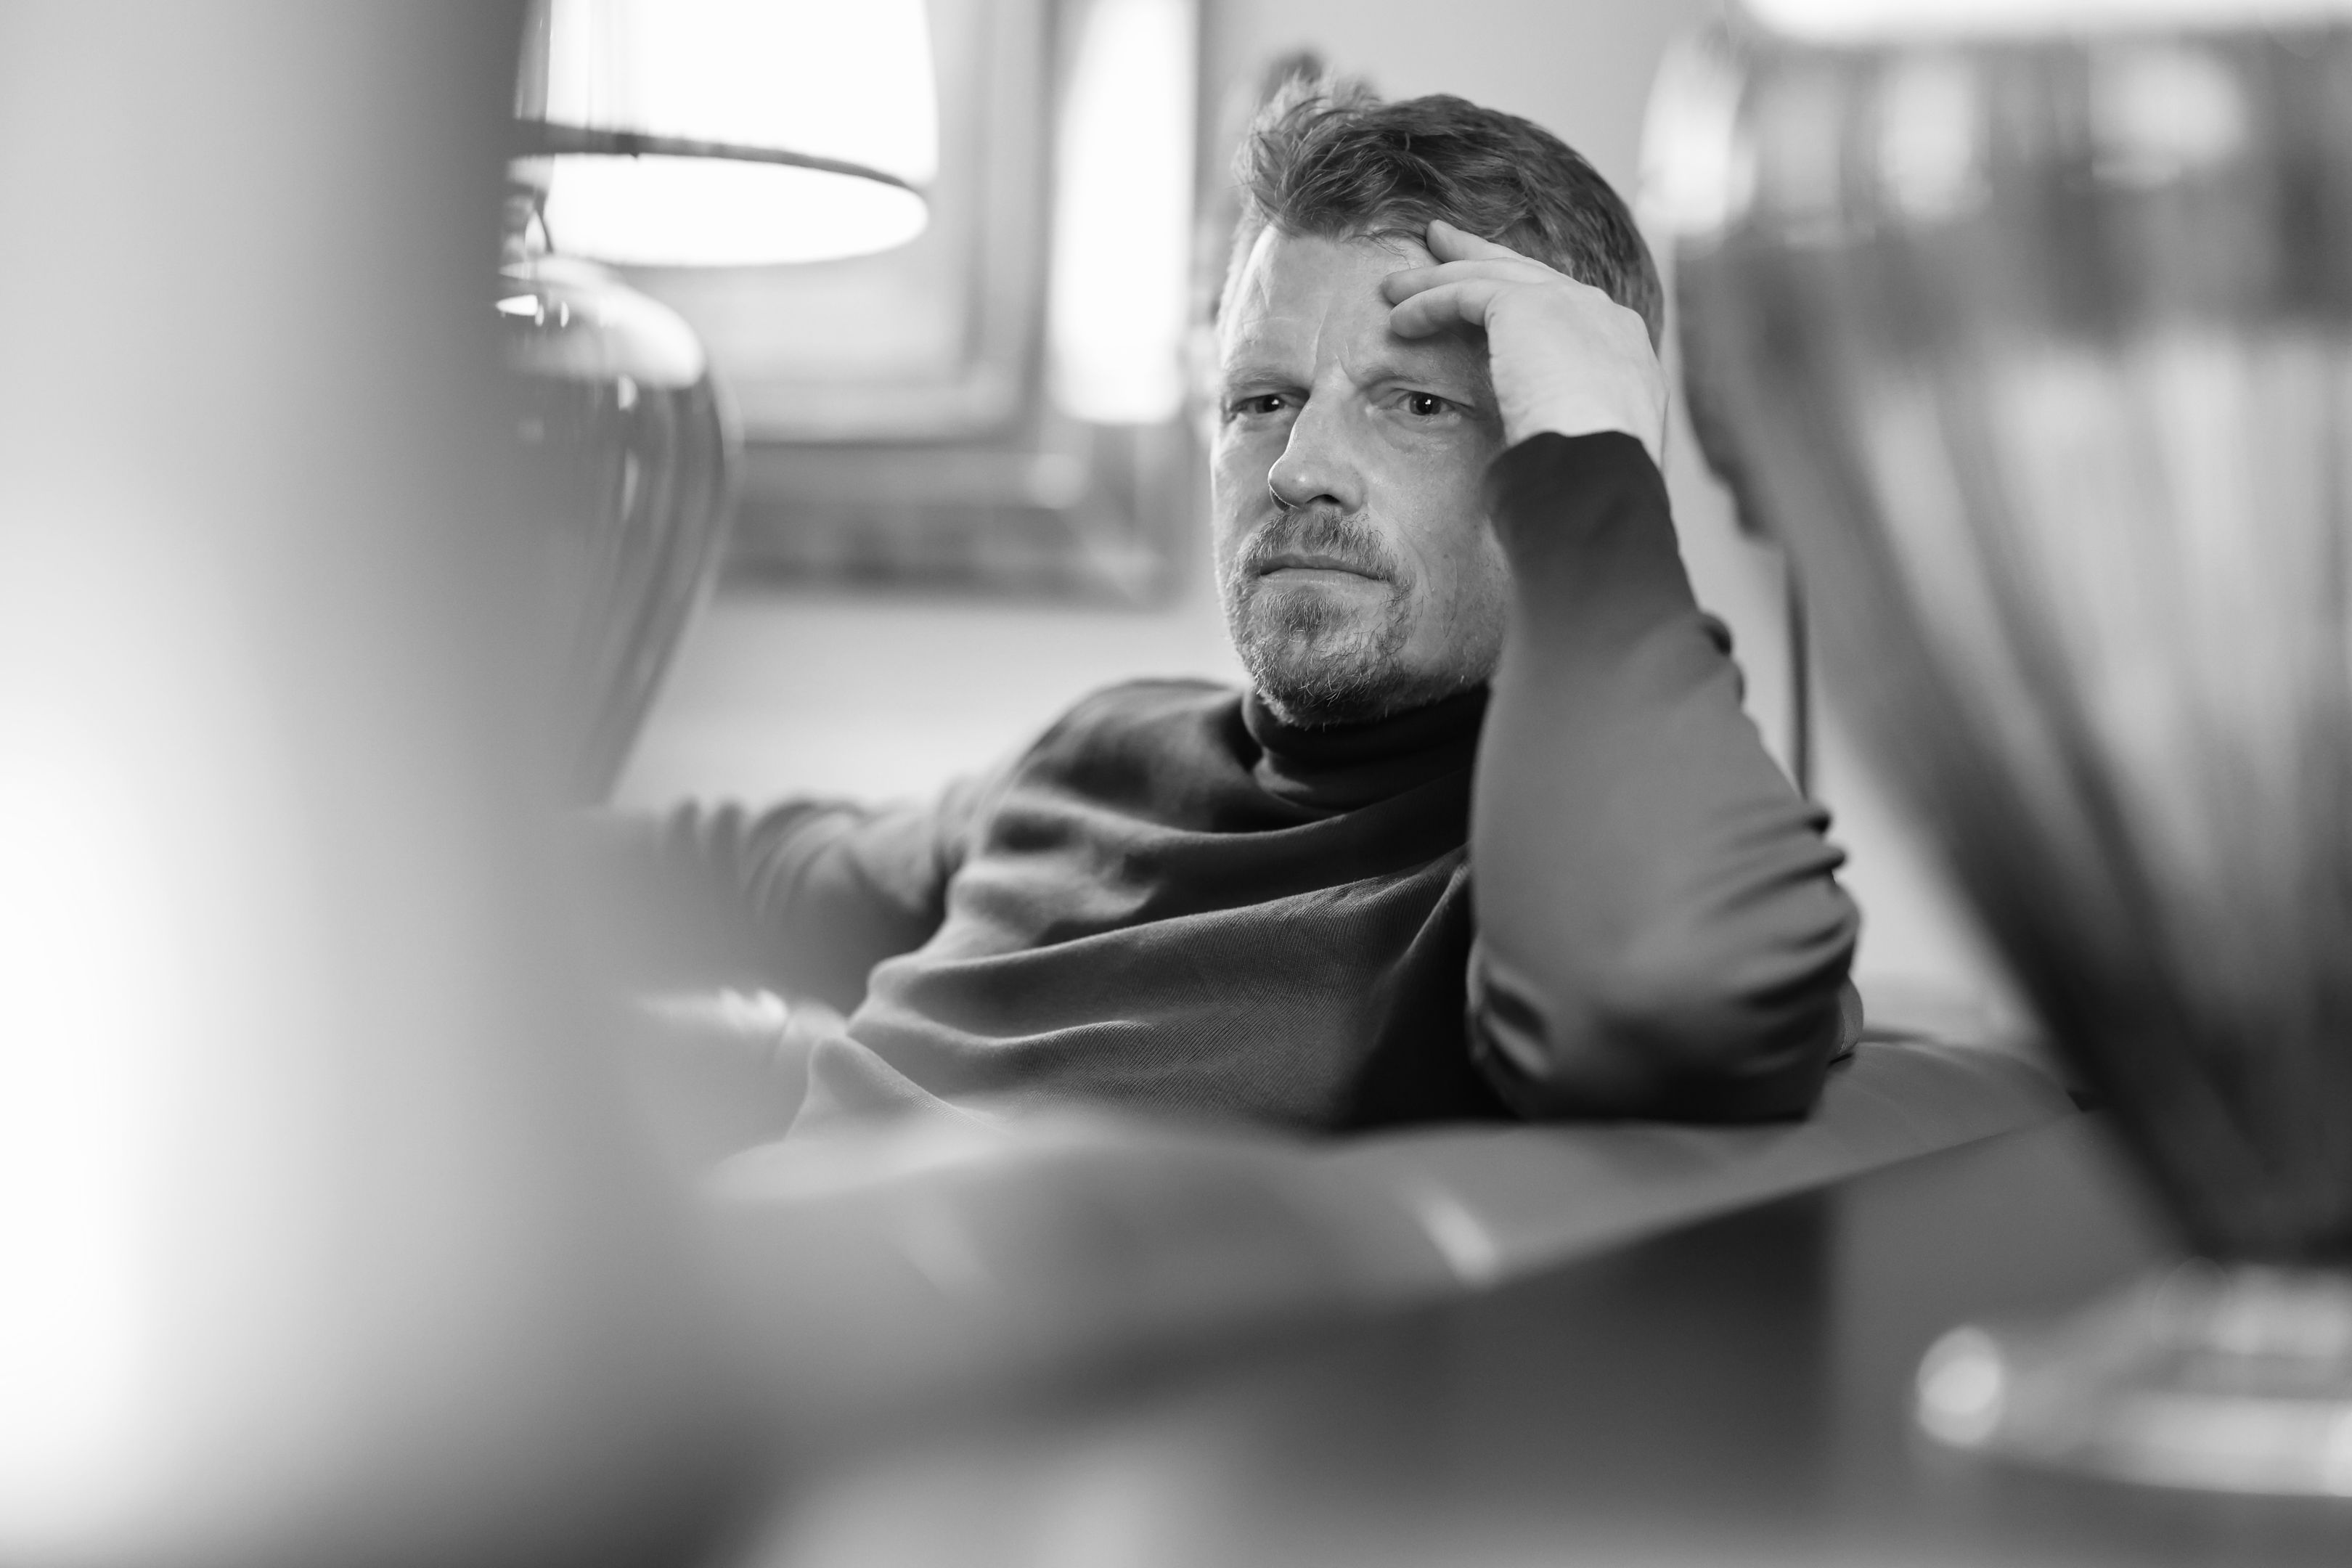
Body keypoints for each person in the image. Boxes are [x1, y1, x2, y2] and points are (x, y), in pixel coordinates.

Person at [602, 81, 1861, 1138]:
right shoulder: (1102, 754)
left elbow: (1659, 1002)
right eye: (1262, 401)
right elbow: (742, 875)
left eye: (1419, 404)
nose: (1300, 468)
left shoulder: (1527, 892)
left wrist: (1599, 451)